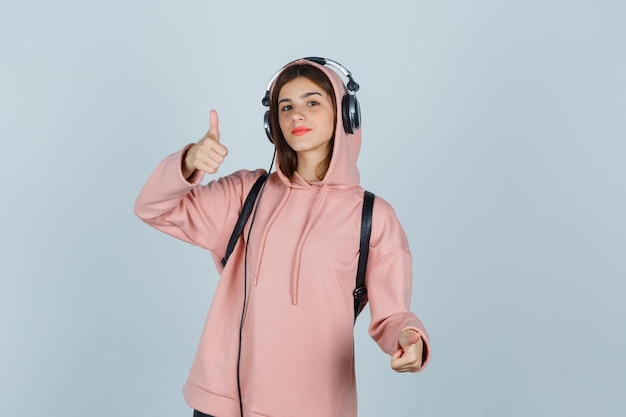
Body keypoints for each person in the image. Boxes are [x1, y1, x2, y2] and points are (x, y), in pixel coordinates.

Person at [134, 57, 430, 417]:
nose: (296, 115)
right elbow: (153, 208)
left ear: (345, 114)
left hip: (315, 407)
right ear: (273, 123)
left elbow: (392, 316)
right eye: (285, 106)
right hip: (223, 403)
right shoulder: (248, 192)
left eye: (312, 102)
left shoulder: (373, 216)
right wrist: (188, 163)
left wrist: (409, 338)